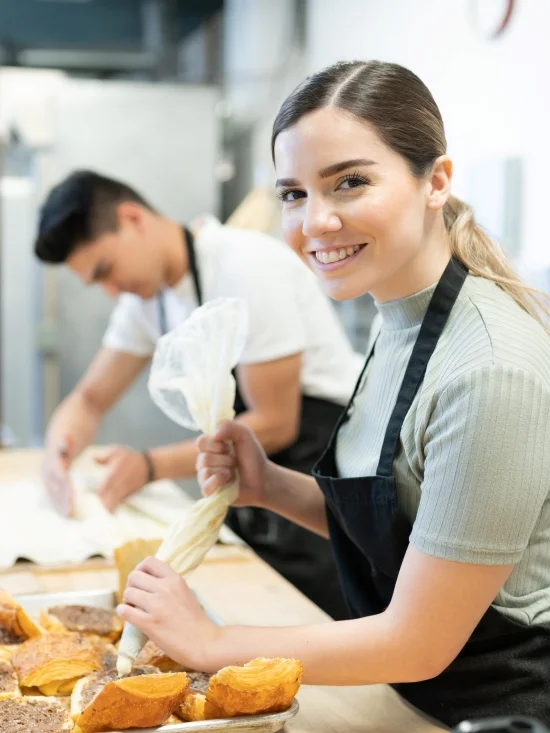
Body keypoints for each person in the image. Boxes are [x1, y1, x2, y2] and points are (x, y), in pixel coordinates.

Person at [117, 60, 550, 727]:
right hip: (413, 700)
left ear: (435, 182)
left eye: (350, 181)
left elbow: (419, 640)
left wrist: (213, 643)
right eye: (293, 193)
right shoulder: (398, 317)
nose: (316, 221)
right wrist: (268, 483)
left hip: (499, 712)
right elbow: (414, 528)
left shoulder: (489, 368)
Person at [35, 170, 365, 620]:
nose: (112, 292)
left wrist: (148, 466)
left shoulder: (245, 265)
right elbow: (90, 398)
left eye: (106, 271)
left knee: (313, 623)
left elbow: (275, 420)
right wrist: (58, 453)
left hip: (316, 467)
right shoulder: (147, 300)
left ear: (132, 219)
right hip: (251, 482)